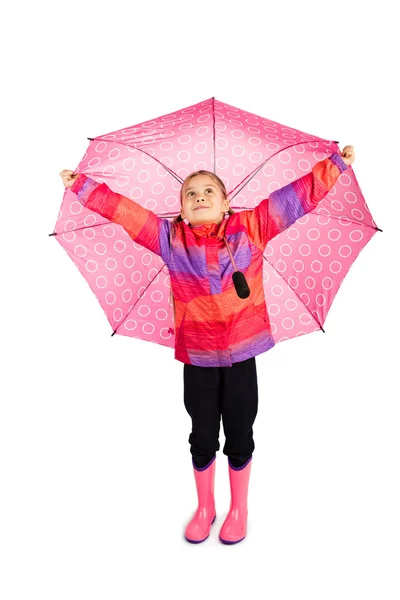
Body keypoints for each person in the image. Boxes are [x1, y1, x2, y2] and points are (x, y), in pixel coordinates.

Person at [59, 145, 355, 545]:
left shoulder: (253, 228)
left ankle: (239, 508)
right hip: (196, 357)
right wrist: (83, 187)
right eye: (190, 194)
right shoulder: (169, 238)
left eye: (208, 191)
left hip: (242, 354)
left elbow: (293, 199)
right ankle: (205, 507)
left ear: (227, 203)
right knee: (201, 434)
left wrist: (333, 167)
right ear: (181, 210)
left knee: (239, 431)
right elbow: (126, 212)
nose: (199, 197)